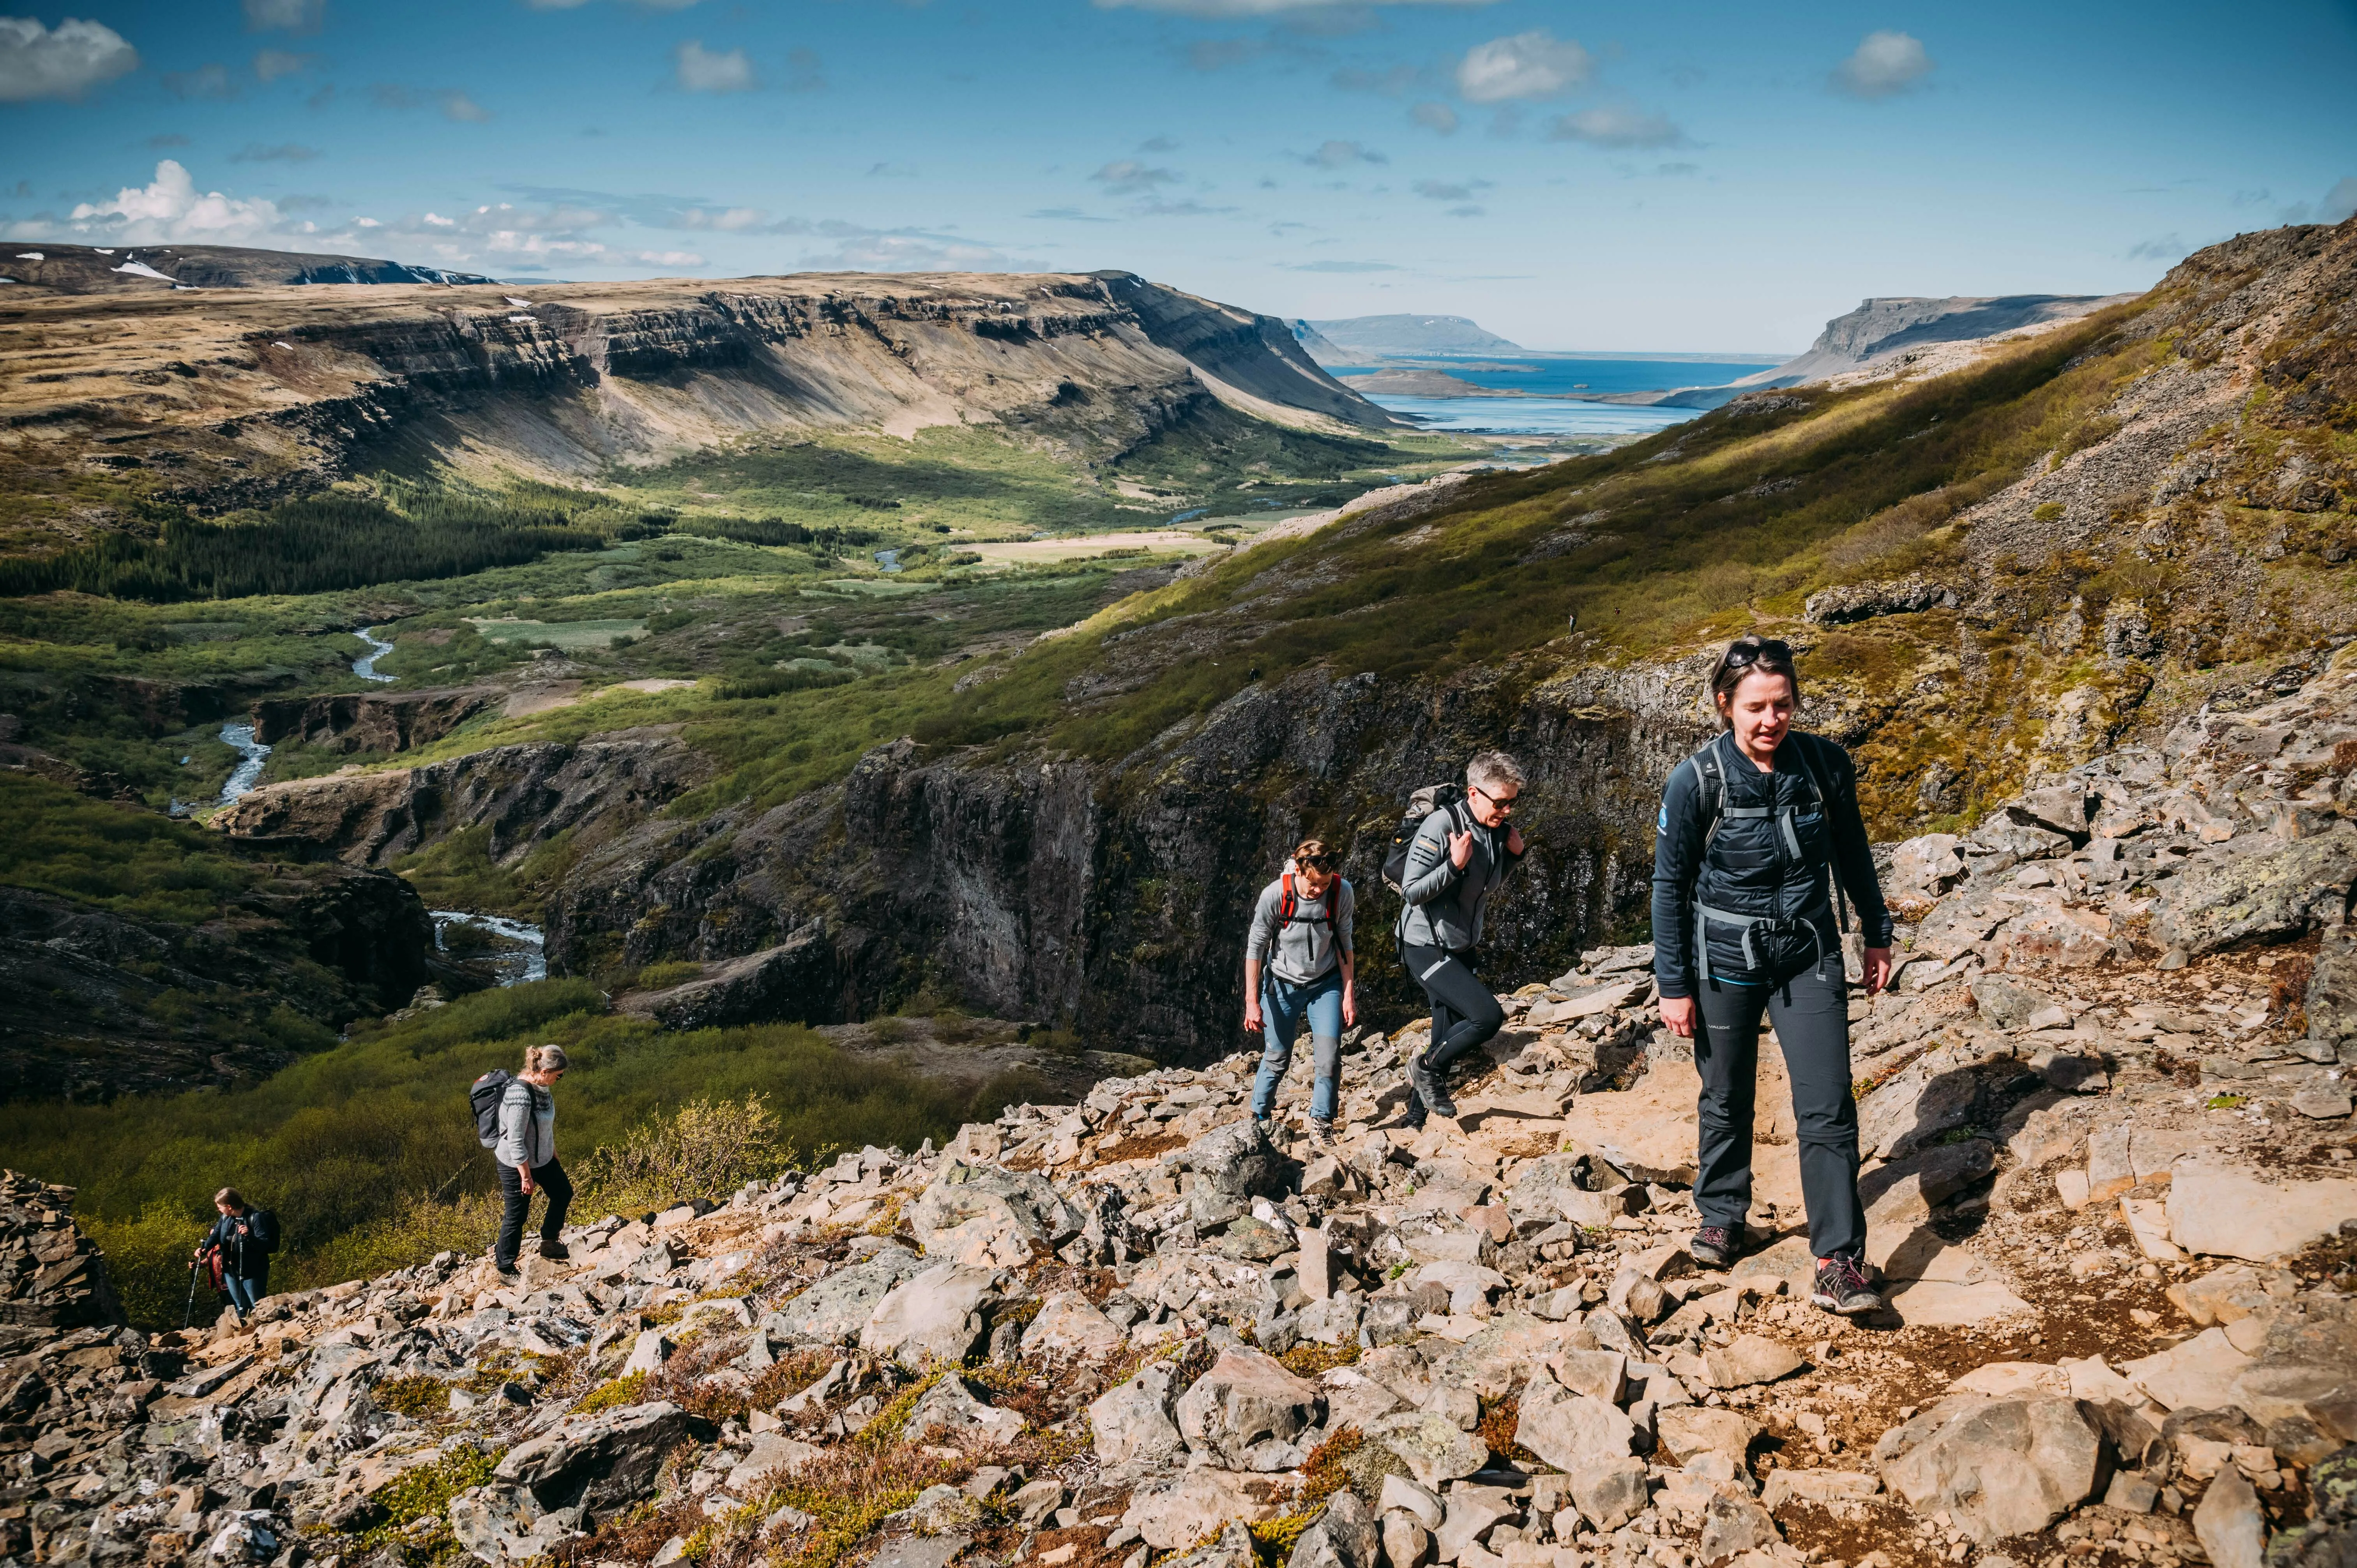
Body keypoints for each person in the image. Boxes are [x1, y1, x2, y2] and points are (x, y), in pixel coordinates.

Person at [1651, 634, 1896, 1317]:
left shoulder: (1823, 764)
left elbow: (1852, 852)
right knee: (1724, 1094)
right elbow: (1668, 886)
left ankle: (1837, 1259)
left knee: (1826, 1105)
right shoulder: (1694, 779)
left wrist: (1875, 934)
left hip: (1807, 951)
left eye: (1782, 704)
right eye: (1755, 706)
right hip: (1722, 962)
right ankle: (1722, 1214)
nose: (1770, 720)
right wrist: (1673, 983)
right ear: (1723, 704)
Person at [1396, 751, 1529, 1126]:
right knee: (1487, 1017)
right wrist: (1453, 866)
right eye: (1500, 802)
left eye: (1512, 803)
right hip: (1425, 945)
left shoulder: (1496, 831)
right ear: (1474, 793)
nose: (1506, 811)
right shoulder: (1442, 825)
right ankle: (1423, 1066)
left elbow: (1486, 887)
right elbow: (1411, 891)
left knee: (1445, 1034)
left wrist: (1515, 857)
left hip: (1461, 947)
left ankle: (1415, 1121)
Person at [1243, 838, 1357, 1143]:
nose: (1319, 891)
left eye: (1325, 883)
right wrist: (1251, 1001)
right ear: (1298, 870)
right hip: (1281, 984)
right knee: (1277, 1057)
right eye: (1314, 885)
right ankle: (1260, 1117)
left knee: (1329, 1058)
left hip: (1325, 984)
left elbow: (1345, 943)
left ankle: (1322, 1122)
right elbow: (1255, 948)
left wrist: (1348, 994)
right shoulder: (1275, 896)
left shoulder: (1341, 892)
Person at [494, 1044, 573, 1277]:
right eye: (559, 1076)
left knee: (563, 1193)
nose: (561, 1079)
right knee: (517, 1215)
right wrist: (526, 1176)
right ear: (545, 1071)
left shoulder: (542, 1086)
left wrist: (553, 1151)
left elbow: (543, 1126)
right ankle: (505, 1267)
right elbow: (515, 1140)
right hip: (516, 1163)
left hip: (542, 1158)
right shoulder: (520, 1094)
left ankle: (549, 1242)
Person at [194, 1188, 278, 1322]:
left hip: (253, 1271)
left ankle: (262, 1331)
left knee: (257, 1305)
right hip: (231, 1270)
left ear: (229, 1207)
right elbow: (216, 1235)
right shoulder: (225, 1218)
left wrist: (249, 1236)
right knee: (240, 1306)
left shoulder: (255, 1217)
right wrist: (204, 1249)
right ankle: (245, 1333)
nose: (219, 1210)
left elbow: (265, 1244)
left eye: (220, 1207)